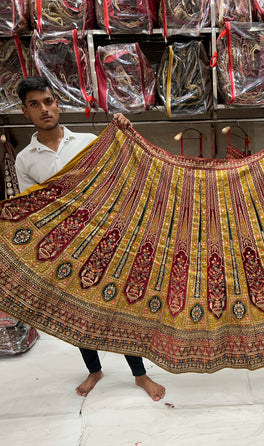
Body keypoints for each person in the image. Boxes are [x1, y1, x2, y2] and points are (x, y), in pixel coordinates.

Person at [14, 75, 166, 402]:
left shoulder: (89, 142)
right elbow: (33, 209)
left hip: (106, 239)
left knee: (120, 305)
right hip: (65, 247)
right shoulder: (25, 160)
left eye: (49, 101)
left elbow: (121, 175)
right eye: (35, 104)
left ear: (58, 104)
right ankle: (94, 369)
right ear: (25, 111)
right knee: (77, 310)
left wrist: (123, 131)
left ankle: (139, 375)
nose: (44, 109)